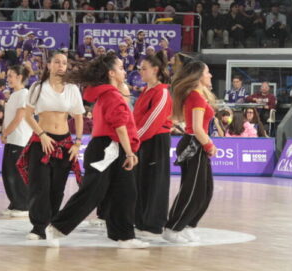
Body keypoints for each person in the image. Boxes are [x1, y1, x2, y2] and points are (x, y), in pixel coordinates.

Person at [43, 53, 147, 249]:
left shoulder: (107, 93)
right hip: (109, 148)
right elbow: (120, 127)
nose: (125, 71)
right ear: (111, 73)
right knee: (92, 193)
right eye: (121, 67)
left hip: (108, 148)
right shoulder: (112, 95)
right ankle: (56, 227)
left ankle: (124, 236)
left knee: (125, 192)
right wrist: (130, 153)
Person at [18, 53, 85, 240]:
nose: (61, 65)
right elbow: (28, 115)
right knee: (39, 186)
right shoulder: (37, 87)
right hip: (41, 142)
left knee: (58, 188)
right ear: (49, 65)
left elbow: (79, 116)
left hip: (64, 143)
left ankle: (51, 223)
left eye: (64, 63)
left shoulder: (72, 89)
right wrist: (42, 135)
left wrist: (78, 143)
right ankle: (38, 227)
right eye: (57, 62)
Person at [163, 60, 217, 244]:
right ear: (199, 75)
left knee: (205, 190)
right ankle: (173, 227)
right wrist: (209, 145)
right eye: (208, 72)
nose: (210, 75)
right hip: (194, 144)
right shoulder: (196, 97)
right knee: (193, 190)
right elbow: (196, 128)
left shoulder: (199, 96)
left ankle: (187, 225)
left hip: (196, 144)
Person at [133, 52, 173, 238]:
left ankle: (154, 225)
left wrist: (133, 139)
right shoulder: (146, 91)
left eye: (144, 69)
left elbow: (152, 121)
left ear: (155, 70)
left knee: (156, 182)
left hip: (156, 141)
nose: (141, 72)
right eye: (140, 68)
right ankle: (141, 221)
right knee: (143, 180)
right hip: (143, 140)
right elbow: (136, 119)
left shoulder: (162, 92)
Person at [0, 65, 32, 217]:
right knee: (7, 172)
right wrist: (4, 133)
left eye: (11, 75)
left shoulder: (24, 93)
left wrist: (5, 133)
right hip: (11, 138)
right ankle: (14, 203)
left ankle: (23, 206)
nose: (8, 78)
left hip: (20, 139)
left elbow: (19, 117)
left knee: (16, 173)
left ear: (20, 77)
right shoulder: (13, 95)